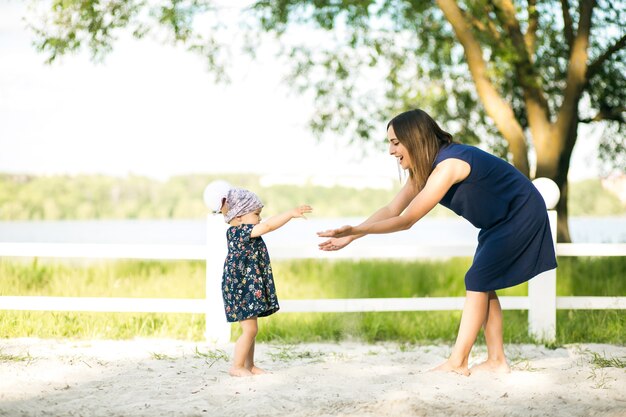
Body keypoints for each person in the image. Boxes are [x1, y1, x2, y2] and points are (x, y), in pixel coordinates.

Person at [317, 109, 557, 376]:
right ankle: (496, 360)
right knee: (483, 282)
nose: (390, 151)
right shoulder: (424, 171)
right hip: (498, 222)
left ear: (415, 138)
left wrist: (360, 229)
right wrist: (352, 235)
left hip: (520, 213)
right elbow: (392, 210)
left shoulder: (448, 166)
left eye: (395, 142)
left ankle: (458, 363)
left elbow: (407, 220)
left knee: (477, 279)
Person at [218, 187, 312, 377]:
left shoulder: (243, 231)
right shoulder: (239, 232)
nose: (260, 218)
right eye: (256, 214)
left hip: (245, 286)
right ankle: (237, 366)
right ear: (239, 217)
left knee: (251, 329)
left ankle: (249, 365)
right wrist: (290, 214)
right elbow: (268, 226)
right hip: (240, 288)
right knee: (250, 329)